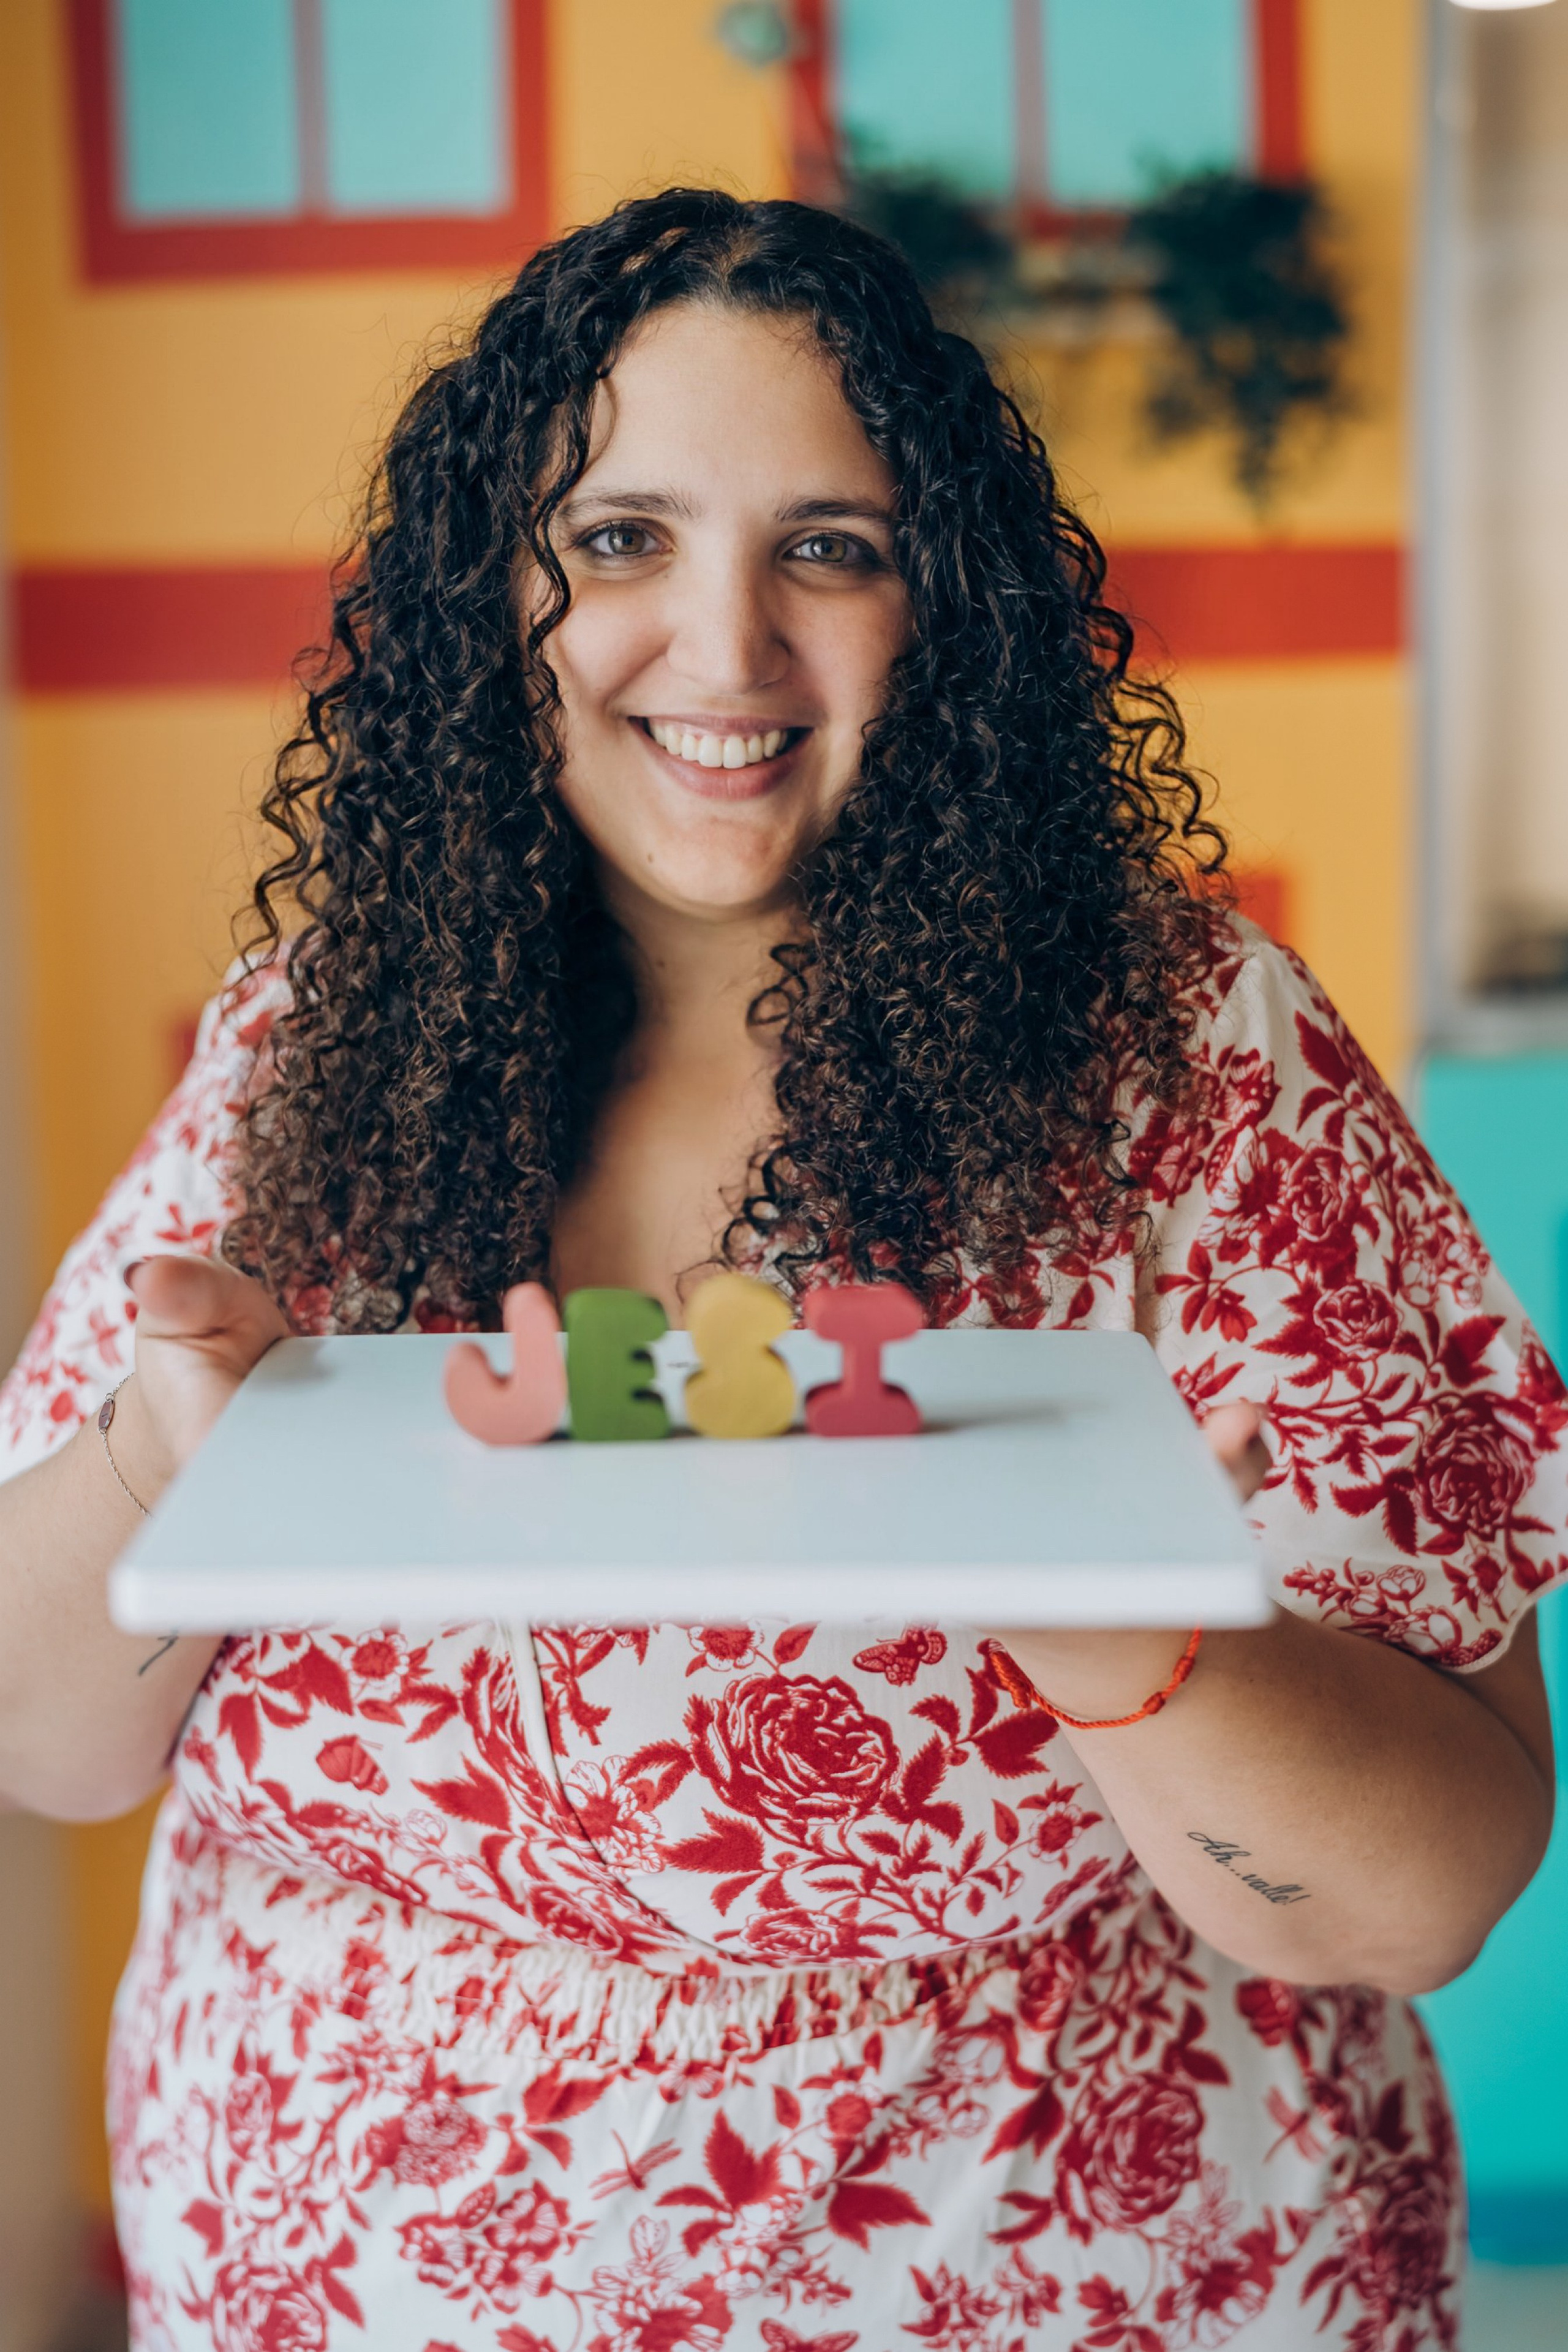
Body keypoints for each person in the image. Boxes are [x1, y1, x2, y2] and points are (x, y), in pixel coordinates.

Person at [0, 189, 1558, 2352]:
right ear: (498, 592)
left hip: (1068, 2274)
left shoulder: (1193, 1057)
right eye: (623, 537)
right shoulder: (312, 1042)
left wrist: (1087, 1603)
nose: (724, 651)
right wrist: (164, 1461)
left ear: (953, 611)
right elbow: (44, 1736)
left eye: (832, 546)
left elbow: (1429, 1894)